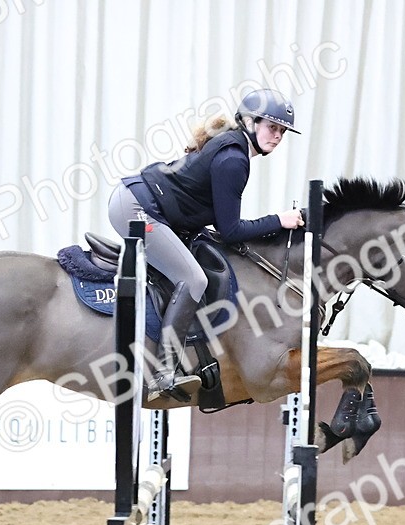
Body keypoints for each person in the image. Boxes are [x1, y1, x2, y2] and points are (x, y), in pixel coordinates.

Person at [108, 88, 305, 402]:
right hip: (136, 209)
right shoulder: (234, 160)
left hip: (141, 203)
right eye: (272, 127)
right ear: (250, 122)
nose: (278, 135)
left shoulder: (235, 150)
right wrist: (279, 221)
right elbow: (230, 230)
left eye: (282, 131)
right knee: (194, 278)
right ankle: (164, 372)